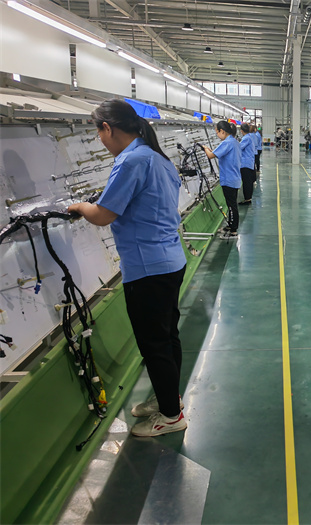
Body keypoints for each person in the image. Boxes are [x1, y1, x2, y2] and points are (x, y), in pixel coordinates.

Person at [67, 99, 187, 437]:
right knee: (168, 337)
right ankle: (169, 398)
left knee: (155, 344)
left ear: (108, 128)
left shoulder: (131, 160)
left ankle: (171, 416)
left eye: (99, 133)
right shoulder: (157, 158)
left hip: (148, 269)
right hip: (170, 260)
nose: (100, 140)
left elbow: (103, 215)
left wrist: (81, 206)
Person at [203, 121, 240, 239]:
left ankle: (233, 231)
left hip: (229, 180)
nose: (217, 135)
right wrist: (210, 150)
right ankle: (231, 225)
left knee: (231, 206)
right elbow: (216, 153)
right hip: (234, 178)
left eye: (217, 132)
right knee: (231, 204)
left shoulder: (227, 143)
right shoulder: (235, 142)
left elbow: (210, 156)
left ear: (222, 131)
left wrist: (205, 148)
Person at [239, 123, 256, 205]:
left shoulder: (246, 138)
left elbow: (239, 148)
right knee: (248, 181)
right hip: (249, 162)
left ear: (241, 131)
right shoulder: (249, 137)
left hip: (245, 164)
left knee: (246, 182)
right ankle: (248, 198)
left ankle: (247, 199)